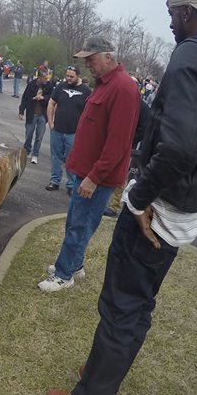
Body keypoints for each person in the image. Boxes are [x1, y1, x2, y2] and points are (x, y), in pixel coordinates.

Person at [45, 0, 197, 395]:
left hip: (159, 204)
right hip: (186, 199)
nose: (170, 25)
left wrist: (139, 197)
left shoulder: (191, 53)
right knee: (139, 301)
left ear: (186, 12)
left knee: (122, 303)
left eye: (171, 15)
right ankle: (104, 375)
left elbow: (179, 147)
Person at [37, 36, 140, 294]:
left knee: (79, 226)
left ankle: (64, 275)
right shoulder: (105, 84)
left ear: (108, 57)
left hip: (97, 177)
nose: (87, 65)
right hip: (86, 172)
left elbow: (118, 143)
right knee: (76, 221)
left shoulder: (123, 88)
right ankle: (75, 265)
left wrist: (94, 177)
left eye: (91, 59)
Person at [45, 66, 90, 193]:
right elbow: (51, 103)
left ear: (78, 76)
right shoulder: (61, 86)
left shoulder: (86, 91)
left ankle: (71, 185)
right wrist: (50, 121)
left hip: (73, 132)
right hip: (57, 129)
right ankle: (54, 181)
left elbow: (89, 113)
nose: (68, 79)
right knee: (55, 156)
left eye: (71, 77)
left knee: (72, 159)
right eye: (67, 76)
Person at [18, 72, 53, 164]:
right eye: (44, 78)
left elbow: (52, 97)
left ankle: (35, 154)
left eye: (47, 78)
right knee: (29, 133)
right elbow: (24, 98)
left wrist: (43, 97)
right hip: (32, 112)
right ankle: (27, 150)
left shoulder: (49, 86)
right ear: (39, 77)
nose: (46, 80)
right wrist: (21, 111)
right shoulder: (31, 85)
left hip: (43, 114)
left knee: (39, 136)